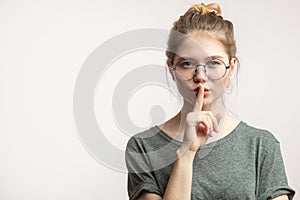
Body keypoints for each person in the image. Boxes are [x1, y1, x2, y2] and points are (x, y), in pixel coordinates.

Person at [125, 3, 295, 200]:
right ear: (171, 68)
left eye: (213, 63)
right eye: (187, 63)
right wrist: (186, 154)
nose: (200, 76)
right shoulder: (143, 147)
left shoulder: (261, 145)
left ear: (231, 68)